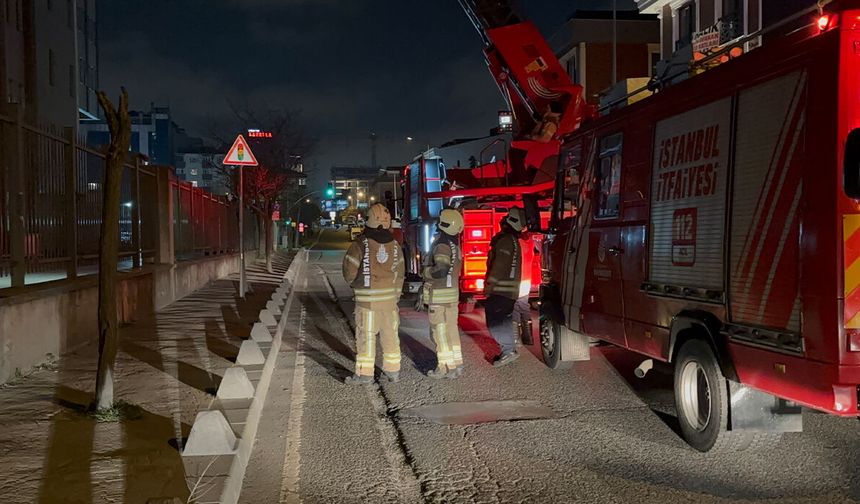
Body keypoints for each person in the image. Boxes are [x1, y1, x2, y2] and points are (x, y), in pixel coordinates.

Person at [342, 203, 405, 385]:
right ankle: (393, 372)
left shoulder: (360, 244)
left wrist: (357, 285)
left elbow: (349, 271)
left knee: (366, 337)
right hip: (389, 302)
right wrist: (396, 295)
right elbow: (400, 273)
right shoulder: (395, 245)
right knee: (390, 335)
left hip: (367, 302)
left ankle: (365, 374)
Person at [420, 209, 465, 380]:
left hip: (439, 296)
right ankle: (457, 363)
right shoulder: (455, 246)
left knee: (439, 332)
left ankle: (445, 366)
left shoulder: (442, 245)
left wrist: (426, 273)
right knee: (451, 330)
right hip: (452, 296)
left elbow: (441, 270)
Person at [484, 207, 525, 367]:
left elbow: (499, 266)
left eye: (508, 217)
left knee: (496, 322)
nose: (504, 219)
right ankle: (510, 348)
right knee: (503, 319)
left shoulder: (505, 241)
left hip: (500, 290)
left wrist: (489, 285)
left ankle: (509, 350)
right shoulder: (513, 241)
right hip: (509, 290)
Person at [513, 230, 538, 346]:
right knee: (523, 306)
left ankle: (516, 338)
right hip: (526, 279)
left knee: (514, 306)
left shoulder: (517, 243)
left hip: (517, 279)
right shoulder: (530, 243)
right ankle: (528, 337)